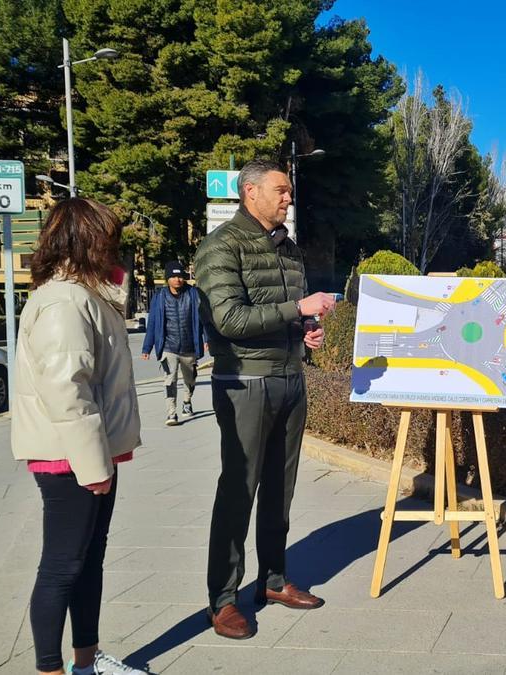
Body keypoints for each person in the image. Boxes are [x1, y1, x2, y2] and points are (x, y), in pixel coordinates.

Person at [196, 159, 335, 640]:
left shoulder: (289, 250)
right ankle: (223, 600)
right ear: (250, 192)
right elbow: (230, 319)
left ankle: (274, 580)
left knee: (281, 488)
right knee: (239, 490)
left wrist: (304, 330)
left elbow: (282, 315)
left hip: (289, 378)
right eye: (280, 190)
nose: (288, 198)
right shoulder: (221, 246)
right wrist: (297, 307)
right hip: (244, 382)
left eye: (289, 191)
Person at [11, 198, 146, 675]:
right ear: (87, 240)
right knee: (63, 567)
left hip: (90, 454)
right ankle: (50, 668)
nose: (115, 247)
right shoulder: (63, 302)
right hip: (69, 459)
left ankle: (86, 663)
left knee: (88, 562)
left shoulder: (84, 295)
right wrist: (93, 466)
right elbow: (69, 391)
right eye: (107, 238)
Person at [141, 260, 207, 426]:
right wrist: (147, 347)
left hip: (189, 346)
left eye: (180, 276)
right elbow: (153, 324)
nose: (178, 279)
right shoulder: (159, 297)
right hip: (168, 347)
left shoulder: (193, 294)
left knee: (189, 379)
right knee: (170, 380)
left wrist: (207, 339)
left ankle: (187, 401)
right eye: (174, 276)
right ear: (167, 279)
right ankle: (171, 413)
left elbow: (204, 319)